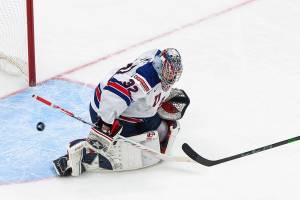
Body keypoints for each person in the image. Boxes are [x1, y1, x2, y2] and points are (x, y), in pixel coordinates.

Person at [53, 48, 190, 176]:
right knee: (138, 149)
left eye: (174, 73)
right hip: (110, 113)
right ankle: (78, 155)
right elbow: (114, 94)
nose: (171, 77)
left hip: (133, 112)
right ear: (160, 65)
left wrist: (162, 98)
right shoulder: (144, 79)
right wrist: (105, 125)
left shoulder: (155, 56)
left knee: (163, 132)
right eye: (169, 72)